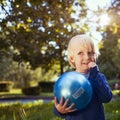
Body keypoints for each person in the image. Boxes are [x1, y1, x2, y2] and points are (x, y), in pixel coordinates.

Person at [54, 34, 112, 120]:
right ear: (72, 58)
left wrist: (94, 74)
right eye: (80, 53)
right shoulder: (68, 81)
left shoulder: (98, 76)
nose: (87, 57)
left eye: (90, 53)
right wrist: (59, 110)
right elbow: (59, 103)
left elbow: (106, 97)